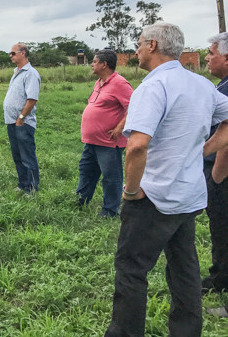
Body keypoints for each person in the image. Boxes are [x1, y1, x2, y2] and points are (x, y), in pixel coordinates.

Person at [105, 23, 228, 336]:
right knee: (184, 270)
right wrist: (200, 151)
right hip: (188, 197)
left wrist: (132, 191)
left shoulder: (153, 86)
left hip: (153, 197)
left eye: (139, 44)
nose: (135, 51)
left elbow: (136, 145)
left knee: (132, 270)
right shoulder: (201, 85)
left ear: (153, 45)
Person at [76, 49, 133, 218]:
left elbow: (133, 107)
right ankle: (81, 201)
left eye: (94, 62)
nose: (92, 64)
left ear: (104, 64)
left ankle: (110, 211)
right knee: (86, 170)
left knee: (111, 177)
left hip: (108, 142)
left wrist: (119, 128)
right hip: (92, 141)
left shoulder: (120, 83)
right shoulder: (99, 82)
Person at [203, 32, 228, 312]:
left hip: (222, 173)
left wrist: (218, 176)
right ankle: (220, 277)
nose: (207, 57)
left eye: (212, 52)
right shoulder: (222, 85)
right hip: (216, 170)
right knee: (219, 230)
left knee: (224, 227)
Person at [3, 43, 41, 193]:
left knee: (27, 156)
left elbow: (32, 99)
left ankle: (32, 188)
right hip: (12, 121)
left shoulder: (30, 73)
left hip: (22, 122)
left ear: (23, 53)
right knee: (17, 156)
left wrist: (21, 117)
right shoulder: (16, 72)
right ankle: (23, 184)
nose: (10, 56)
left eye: (13, 53)